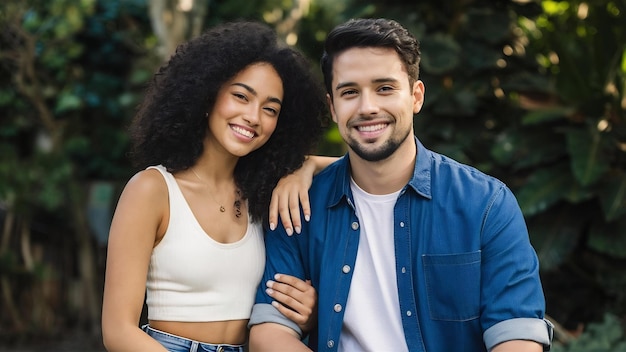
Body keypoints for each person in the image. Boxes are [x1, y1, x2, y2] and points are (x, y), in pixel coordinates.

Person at [248, 18, 554, 352]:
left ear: (416, 96)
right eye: (350, 92)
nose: (368, 108)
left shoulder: (486, 205)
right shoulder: (298, 206)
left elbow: (517, 339)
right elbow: (270, 334)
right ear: (333, 108)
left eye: (385, 88)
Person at [101, 20, 329, 352]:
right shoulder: (152, 189)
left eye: (270, 109)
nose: (253, 116)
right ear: (208, 95)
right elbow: (118, 331)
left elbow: (360, 167)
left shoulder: (262, 192)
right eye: (241, 96)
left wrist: (304, 167)